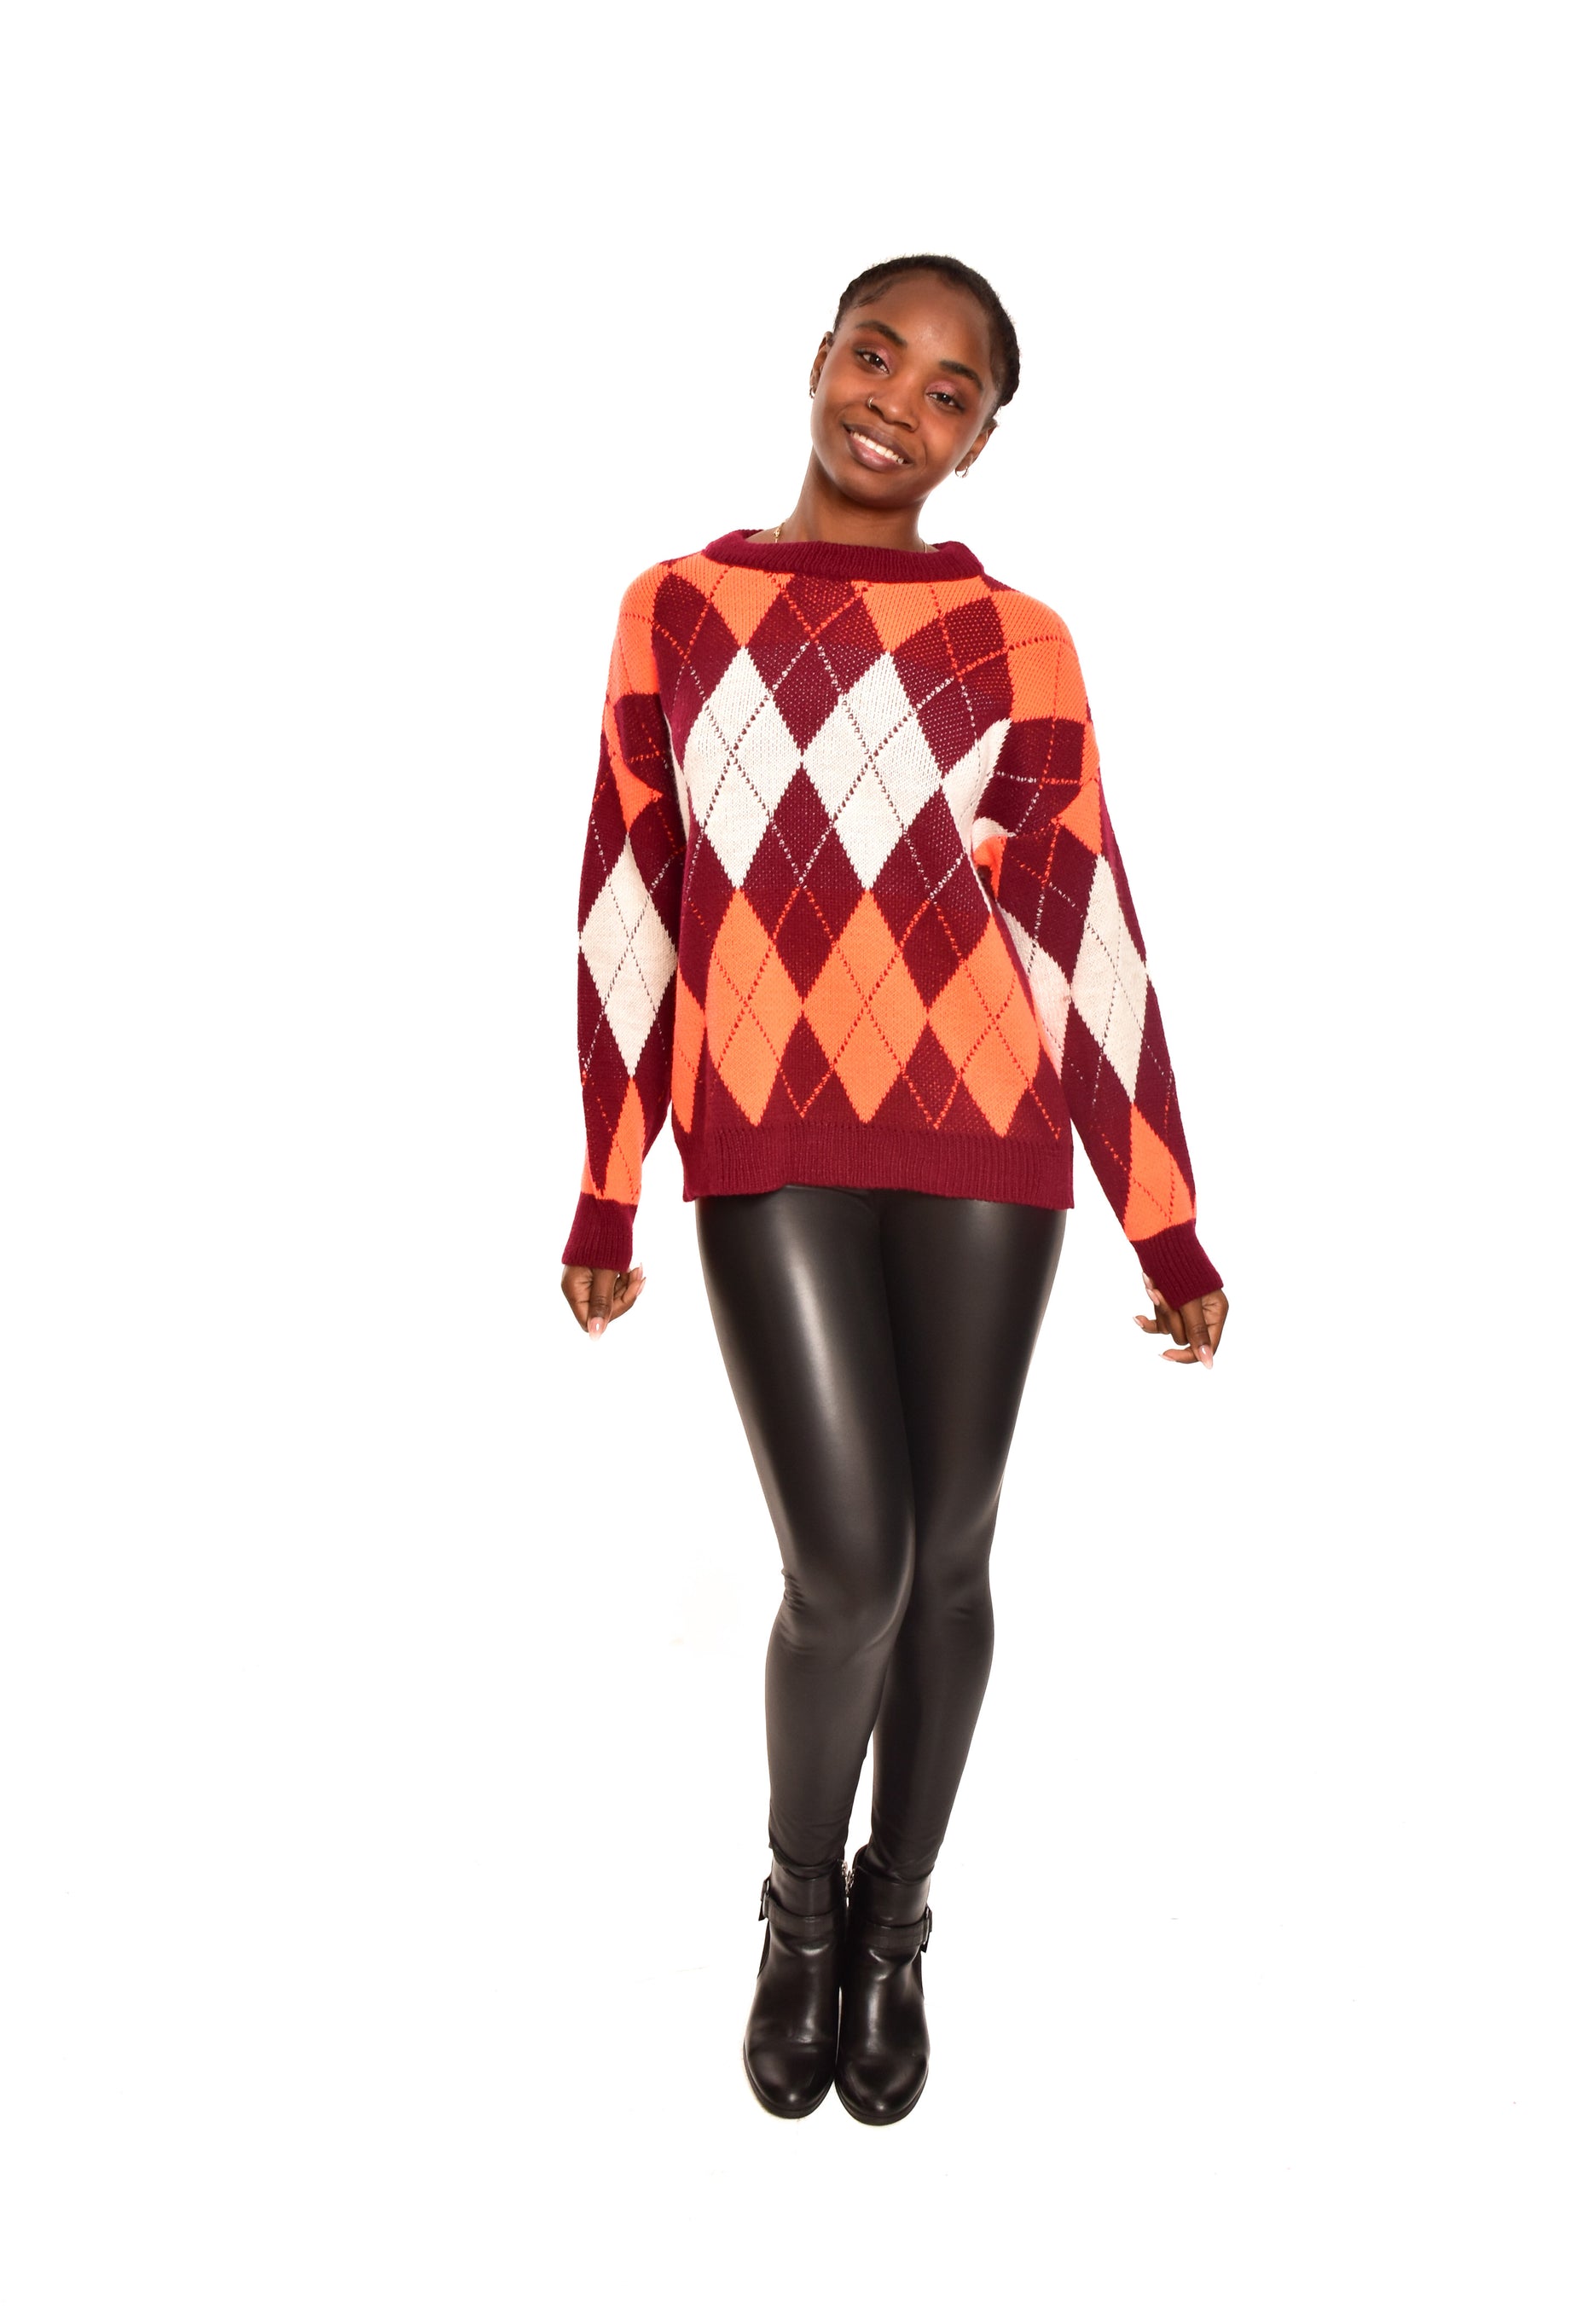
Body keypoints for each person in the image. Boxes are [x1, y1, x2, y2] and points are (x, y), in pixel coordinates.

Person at [559, 255, 1229, 2126]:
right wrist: (607, 1178)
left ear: (979, 442)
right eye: (878, 355)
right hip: (763, 1125)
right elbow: (632, 894)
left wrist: (1163, 1214)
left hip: (986, 1143)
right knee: (844, 1565)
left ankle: (894, 1920)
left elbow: (1081, 922)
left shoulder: (1018, 642)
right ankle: (799, 1910)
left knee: (946, 1560)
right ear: (819, 357)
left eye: (950, 392)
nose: (898, 403)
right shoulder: (677, 608)